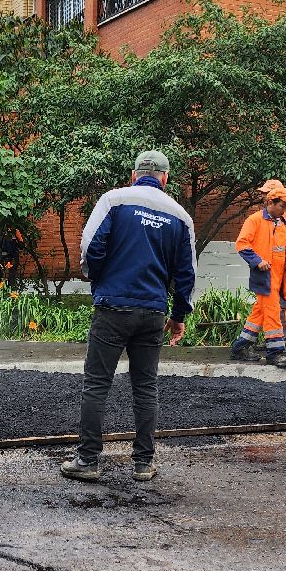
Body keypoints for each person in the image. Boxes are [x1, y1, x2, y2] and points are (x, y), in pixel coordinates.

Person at [61, 150, 196, 483]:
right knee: (146, 387)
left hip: (112, 308)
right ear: (165, 178)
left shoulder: (113, 200)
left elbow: (91, 246)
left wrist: (100, 281)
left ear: (134, 174)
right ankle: (143, 464)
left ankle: (89, 461)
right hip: (152, 312)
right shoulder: (180, 217)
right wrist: (178, 315)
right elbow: (187, 274)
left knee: (96, 385)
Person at [230, 180, 286, 366]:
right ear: (270, 203)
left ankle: (240, 347)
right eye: (282, 206)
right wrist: (257, 261)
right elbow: (242, 244)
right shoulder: (254, 220)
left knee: (259, 313)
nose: (285, 210)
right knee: (272, 311)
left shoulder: (283, 223)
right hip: (265, 276)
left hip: (280, 278)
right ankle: (275, 353)